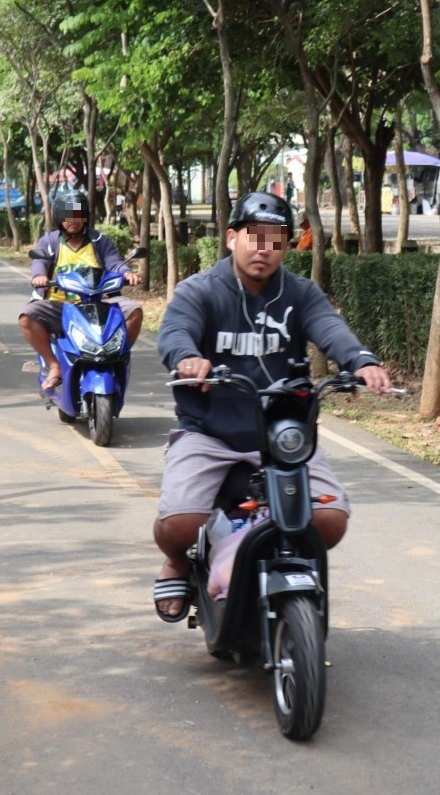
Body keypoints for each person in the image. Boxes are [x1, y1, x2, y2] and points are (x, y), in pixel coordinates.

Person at [153, 191, 390, 621]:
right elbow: (175, 331)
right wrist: (187, 357)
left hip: (285, 435)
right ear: (231, 238)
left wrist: (360, 361)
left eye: (276, 240)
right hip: (210, 431)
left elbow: (329, 328)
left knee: (331, 519)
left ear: (287, 245)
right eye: (254, 237)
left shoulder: (300, 293)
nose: (265, 250)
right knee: (180, 524)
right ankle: (178, 563)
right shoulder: (199, 291)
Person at [19, 191, 143, 391]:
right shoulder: (49, 242)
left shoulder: (100, 241)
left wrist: (127, 273)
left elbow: (114, 263)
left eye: (78, 214)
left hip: (99, 305)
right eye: (68, 215)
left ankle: (117, 357)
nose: (73, 220)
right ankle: (54, 365)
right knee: (27, 316)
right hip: (60, 306)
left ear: (85, 216)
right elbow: (39, 262)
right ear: (59, 218)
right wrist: (38, 276)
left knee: (134, 310)